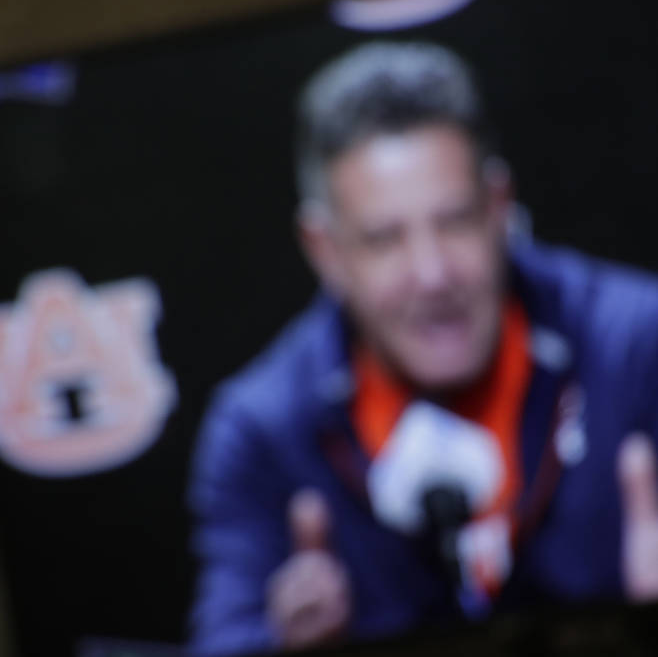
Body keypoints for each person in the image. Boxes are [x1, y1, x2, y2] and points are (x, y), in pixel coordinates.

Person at [187, 41, 658, 655]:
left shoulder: (639, 344)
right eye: (385, 240)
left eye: (456, 221)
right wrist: (287, 644)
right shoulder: (262, 431)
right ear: (325, 251)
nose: (433, 274)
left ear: (499, 207)